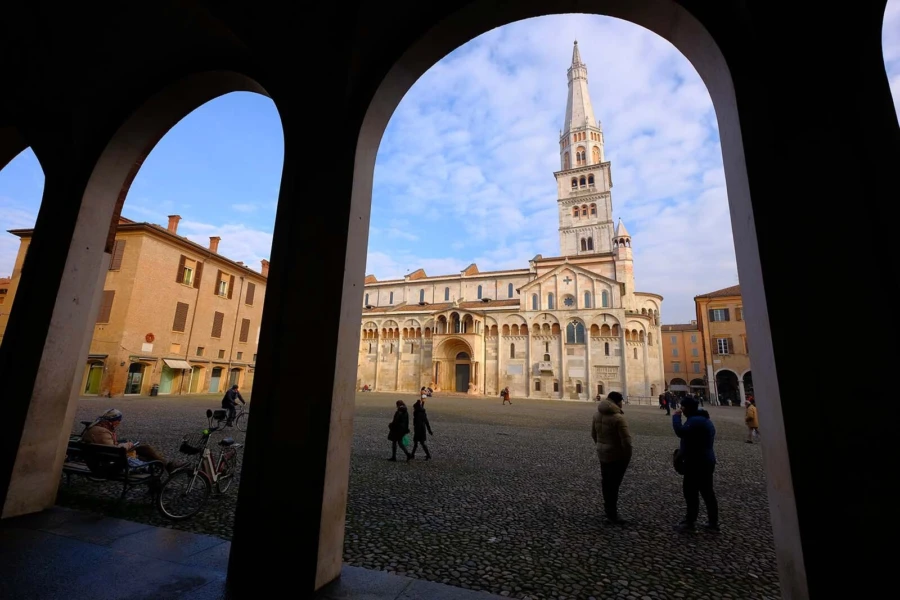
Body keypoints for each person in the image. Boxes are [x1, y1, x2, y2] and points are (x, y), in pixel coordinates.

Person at [81, 409, 184, 473]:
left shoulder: (95, 428)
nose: (118, 424)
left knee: (145, 449)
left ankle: (166, 465)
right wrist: (126, 445)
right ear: (112, 421)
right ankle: (165, 468)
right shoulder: (101, 432)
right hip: (109, 464)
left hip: (103, 458)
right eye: (118, 421)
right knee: (147, 455)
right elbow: (114, 450)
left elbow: (109, 446)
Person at [672, 396, 719, 532]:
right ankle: (712, 523)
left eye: (682, 407)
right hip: (703, 460)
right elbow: (691, 440)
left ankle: (690, 522)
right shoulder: (701, 419)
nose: (681, 410)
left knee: (691, 492)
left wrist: (676, 417)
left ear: (686, 408)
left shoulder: (696, 421)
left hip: (697, 462)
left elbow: (680, 432)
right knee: (707, 492)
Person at [591, 391, 633, 525]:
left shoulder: (597, 414)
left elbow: (593, 434)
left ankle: (608, 509)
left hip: (603, 453)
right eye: (622, 401)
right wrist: (627, 456)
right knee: (614, 485)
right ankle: (613, 514)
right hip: (616, 456)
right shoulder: (618, 418)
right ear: (618, 402)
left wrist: (601, 446)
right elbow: (626, 441)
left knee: (606, 482)